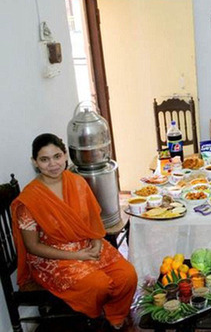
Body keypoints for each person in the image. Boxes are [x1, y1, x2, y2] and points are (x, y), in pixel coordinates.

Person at [11, 133, 137, 330]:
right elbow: (32, 246)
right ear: (34, 162)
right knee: (99, 285)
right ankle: (95, 316)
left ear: (65, 156)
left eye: (57, 156)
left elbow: (94, 221)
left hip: (86, 244)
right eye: (44, 159)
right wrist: (77, 255)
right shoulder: (30, 200)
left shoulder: (77, 182)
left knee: (127, 275)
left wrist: (96, 243)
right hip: (53, 257)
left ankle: (115, 316)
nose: (52, 164)